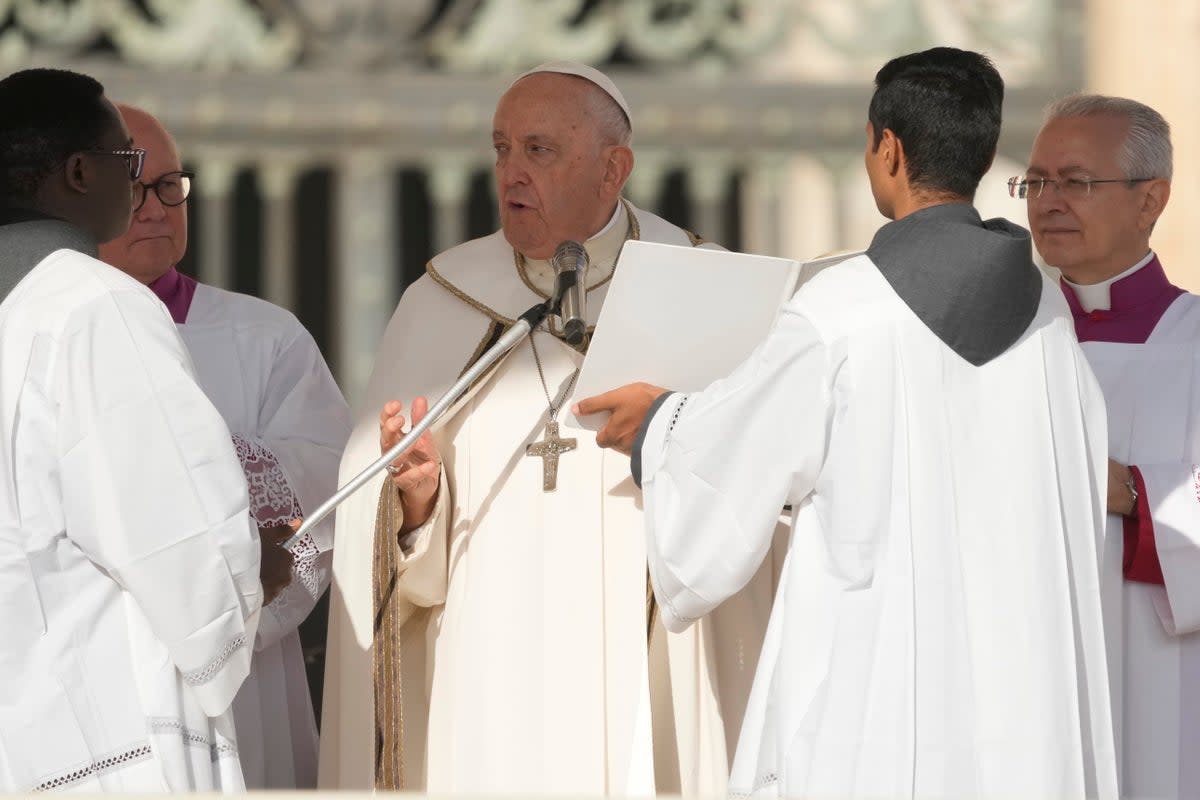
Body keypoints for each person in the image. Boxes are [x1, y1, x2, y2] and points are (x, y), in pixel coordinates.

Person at [577, 47, 1119, 798]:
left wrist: (660, 422)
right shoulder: (1050, 319)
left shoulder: (839, 314)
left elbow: (730, 472)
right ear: (984, 152)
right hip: (1021, 706)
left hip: (878, 700)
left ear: (886, 148)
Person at [321, 61, 781, 794]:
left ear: (613, 168)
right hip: (487, 666)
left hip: (645, 654)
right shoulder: (443, 300)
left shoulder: (702, 284)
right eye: (502, 148)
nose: (511, 171)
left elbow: (761, 484)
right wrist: (415, 503)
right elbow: (375, 528)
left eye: (539, 150)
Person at [0, 68, 263, 792]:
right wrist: (259, 575)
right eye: (129, 163)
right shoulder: (96, 305)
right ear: (82, 172)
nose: (139, 185)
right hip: (104, 732)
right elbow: (181, 537)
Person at [95, 104, 350, 789]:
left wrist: (197, 469)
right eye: (134, 188)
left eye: (171, 186)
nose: (156, 209)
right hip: (98, 669)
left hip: (243, 675)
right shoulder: (41, 336)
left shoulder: (263, 336)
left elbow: (328, 483)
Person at [1021, 94, 1196, 799]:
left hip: (1168, 681)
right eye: (1035, 182)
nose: (1049, 202)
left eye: (1077, 181)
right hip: (1028, 672)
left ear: (1151, 199)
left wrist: (1127, 491)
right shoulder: (997, 346)